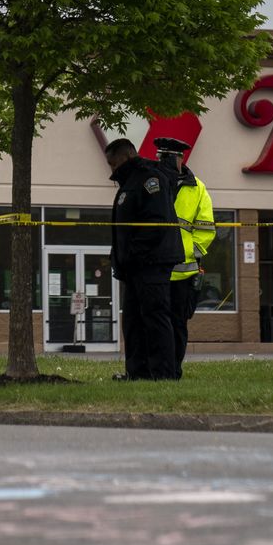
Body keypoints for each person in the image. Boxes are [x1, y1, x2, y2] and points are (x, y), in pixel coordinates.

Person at [104, 138, 179, 381]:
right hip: (135, 267)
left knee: (155, 318)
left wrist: (133, 254)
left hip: (151, 264)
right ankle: (137, 373)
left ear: (125, 157)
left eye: (113, 163)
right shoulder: (130, 182)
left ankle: (163, 374)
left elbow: (156, 224)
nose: (111, 169)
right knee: (134, 322)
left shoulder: (150, 179)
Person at [155, 137, 216, 373]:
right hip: (156, 269)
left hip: (183, 272)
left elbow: (206, 228)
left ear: (181, 159)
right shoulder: (153, 182)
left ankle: (173, 369)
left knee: (177, 324)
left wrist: (191, 254)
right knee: (156, 324)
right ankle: (158, 368)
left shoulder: (197, 187)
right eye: (163, 157)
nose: (166, 161)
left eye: (171, 157)